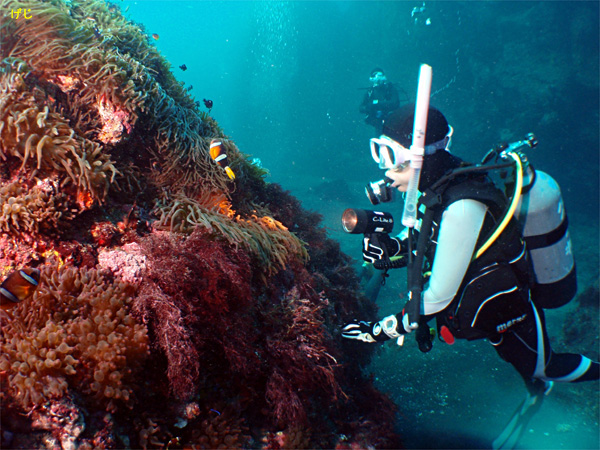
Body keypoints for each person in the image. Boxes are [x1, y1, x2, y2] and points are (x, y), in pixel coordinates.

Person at [342, 104, 599, 449]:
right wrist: (392, 250)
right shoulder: (435, 187)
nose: (386, 173)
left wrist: (377, 331)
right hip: (481, 308)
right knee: (513, 355)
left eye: (393, 160)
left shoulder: (463, 205)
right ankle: (535, 389)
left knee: (543, 365)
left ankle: (544, 385)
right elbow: (424, 239)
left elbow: (437, 297)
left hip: (508, 308)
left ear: (420, 158)